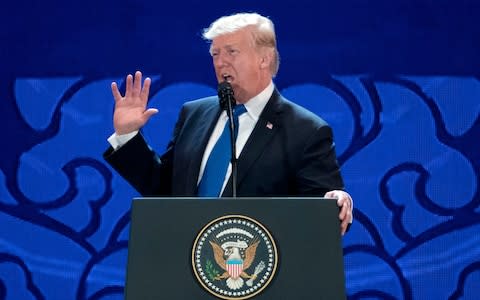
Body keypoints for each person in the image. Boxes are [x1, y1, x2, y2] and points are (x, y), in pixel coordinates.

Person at [104, 12, 353, 235]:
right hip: (184, 262)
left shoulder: (306, 130)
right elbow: (165, 191)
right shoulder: (194, 114)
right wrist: (127, 135)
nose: (220, 62)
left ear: (264, 59)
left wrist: (334, 201)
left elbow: (325, 210)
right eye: (215, 54)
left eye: (231, 52)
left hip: (258, 274)